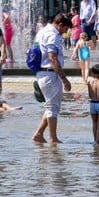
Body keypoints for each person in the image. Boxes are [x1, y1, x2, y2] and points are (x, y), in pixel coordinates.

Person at [32, 12, 73, 144]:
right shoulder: (53, 35)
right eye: (65, 29)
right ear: (60, 25)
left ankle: (39, 134)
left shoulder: (43, 31)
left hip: (43, 73)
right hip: (49, 73)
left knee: (52, 106)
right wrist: (64, 78)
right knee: (52, 108)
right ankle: (53, 138)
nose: (65, 33)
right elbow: (52, 58)